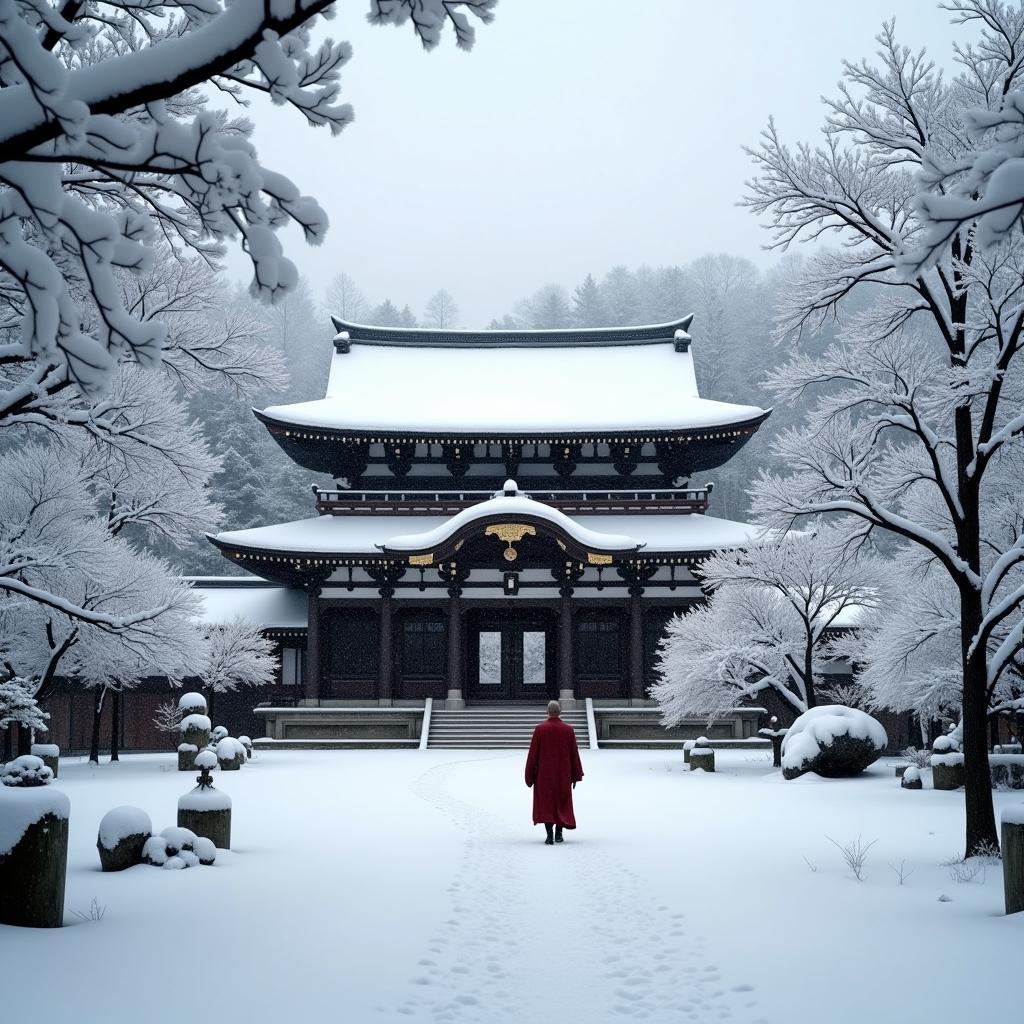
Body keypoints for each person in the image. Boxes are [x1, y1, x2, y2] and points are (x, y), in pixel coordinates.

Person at [525, 699, 584, 844]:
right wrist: (576, 775)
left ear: (547, 712)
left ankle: (549, 834)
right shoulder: (568, 730)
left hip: (544, 775)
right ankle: (559, 833)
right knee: (561, 802)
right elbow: (573, 754)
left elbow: (533, 754)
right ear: (560, 712)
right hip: (563, 774)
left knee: (547, 803)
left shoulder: (540, 729)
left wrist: (529, 776)